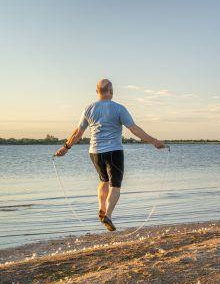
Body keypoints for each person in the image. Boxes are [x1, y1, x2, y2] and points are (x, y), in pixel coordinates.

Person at [55, 79, 166, 231]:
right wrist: (154, 141)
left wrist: (65, 148)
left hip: (95, 152)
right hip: (114, 151)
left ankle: (101, 208)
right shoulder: (119, 108)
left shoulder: (88, 109)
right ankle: (108, 214)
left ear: (97, 92)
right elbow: (134, 129)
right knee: (115, 185)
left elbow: (77, 133)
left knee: (103, 180)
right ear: (111, 91)